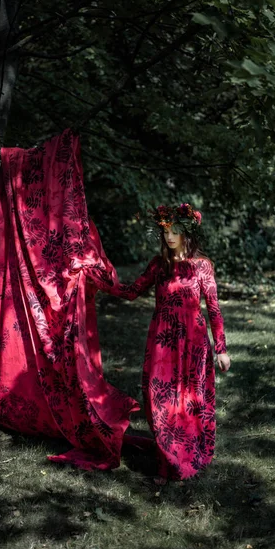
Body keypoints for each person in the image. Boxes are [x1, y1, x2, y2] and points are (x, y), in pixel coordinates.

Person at [82, 203, 231, 484]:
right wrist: (97, 279)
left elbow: (213, 309)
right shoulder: (158, 265)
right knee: (158, 400)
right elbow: (131, 292)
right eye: (165, 231)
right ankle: (169, 457)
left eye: (175, 231)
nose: (170, 236)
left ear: (187, 233)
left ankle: (176, 465)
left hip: (193, 343)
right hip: (162, 343)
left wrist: (221, 349)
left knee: (187, 401)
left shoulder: (202, 266)